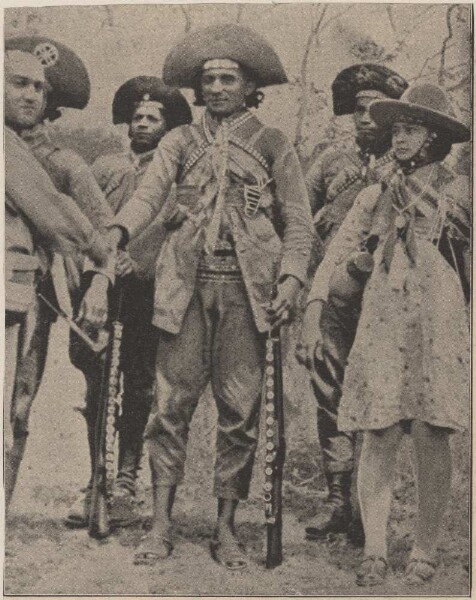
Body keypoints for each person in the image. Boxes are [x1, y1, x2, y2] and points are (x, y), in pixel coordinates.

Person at [106, 23, 314, 569]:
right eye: (210, 79)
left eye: (229, 78)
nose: (218, 87)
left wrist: (292, 277)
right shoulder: (179, 141)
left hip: (249, 294)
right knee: (170, 407)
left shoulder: (272, 143)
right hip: (184, 289)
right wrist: (117, 232)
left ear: (249, 87)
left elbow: (299, 221)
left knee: (240, 412)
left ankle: (226, 527)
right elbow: (150, 195)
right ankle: (159, 524)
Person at [303, 83, 470, 586]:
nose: (400, 139)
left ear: (435, 138)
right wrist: (313, 307)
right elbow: (337, 252)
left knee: (429, 429)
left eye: (412, 129)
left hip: (438, 313)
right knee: (378, 429)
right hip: (382, 311)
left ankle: (424, 546)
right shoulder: (376, 193)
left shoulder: (460, 193)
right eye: (396, 129)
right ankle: (374, 546)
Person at [66, 76, 192, 528]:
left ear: (168, 125)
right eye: (136, 117)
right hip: (99, 284)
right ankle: (95, 475)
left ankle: (125, 478)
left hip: (147, 290)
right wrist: (101, 263)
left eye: (152, 118)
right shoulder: (103, 166)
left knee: (139, 385)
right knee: (97, 382)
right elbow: (82, 219)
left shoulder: (176, 173)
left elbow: (175, 234)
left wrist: (138, 266)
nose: (142, 124)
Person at [296, 64, 408, 545]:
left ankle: (371, 502)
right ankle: (339, 499)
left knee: (378, 393)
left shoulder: (405, 167)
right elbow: (299, 219)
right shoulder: (329, 161)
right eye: (357, 110)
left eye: (374, 111)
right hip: (333, 295)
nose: (365, 119)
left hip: (385, 296)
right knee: (330, 390)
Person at [4, 37, 115, 511]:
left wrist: (100, 278)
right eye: (18, 84)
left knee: (17, 405)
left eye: (40, 90)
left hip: (27, 294)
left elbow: (98, 230)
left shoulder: (63, 162)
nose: (30, 97)